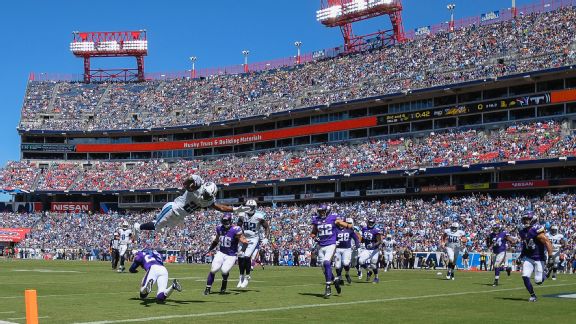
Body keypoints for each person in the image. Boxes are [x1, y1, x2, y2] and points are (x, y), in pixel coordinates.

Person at [134, 175, 249, 232]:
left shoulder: (208, 200)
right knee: (156, 226)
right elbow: (185, 184)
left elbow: (219, 207)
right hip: (172, 209)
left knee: (159, 228)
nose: (206, 197)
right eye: (207, 194)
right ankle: (138, 227)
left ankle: (144, 226)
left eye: (209, 196)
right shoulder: (197, 188)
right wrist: (191, 181)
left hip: (180, 217)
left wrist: (234, 210)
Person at [310, 205, 353, 298]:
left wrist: (349, 225)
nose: (321, 213)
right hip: (321, 246)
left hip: (331, 244)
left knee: (326, 263)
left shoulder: (333, 218)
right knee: (324, 269)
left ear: (327, 211)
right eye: (320, 211)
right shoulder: (316, 220)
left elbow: (345, 225)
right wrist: (315, 237)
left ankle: (328, 287)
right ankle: (335, 280)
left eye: (323, 211)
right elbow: (313, 232)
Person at [204, 214, 248, 295]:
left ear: (230, 221)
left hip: (231, 255)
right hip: (221, 252)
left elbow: (245, 242)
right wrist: (210, 249)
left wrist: (242, 251)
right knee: (213, 270)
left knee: (224, 271)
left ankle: (224, 283)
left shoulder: (236, 229)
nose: (225, 223)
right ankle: (208, 288)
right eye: (224, 221)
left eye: (227, 221)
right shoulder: (219, 228)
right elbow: (216, 241)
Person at [519, 212, 555, 302]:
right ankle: (533, 295)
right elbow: (525, 245)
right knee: (525, 275)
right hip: (528, 257)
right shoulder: (522, 231)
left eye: (527, 219)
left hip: (539, 257)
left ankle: (546, 273)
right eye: (525, 219)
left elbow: (547, 242)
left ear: (532, 219)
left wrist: (551, 257)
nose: (525, 221)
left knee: (538, 281)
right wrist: (521, 256)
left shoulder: (536, 229)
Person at [235, 199, 270, 288]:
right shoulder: (242, 215)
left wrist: (266, 238)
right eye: (248, 207)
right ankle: (241, 277)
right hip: (244, 237)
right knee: (240, 256)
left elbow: (267, 227)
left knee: (247, 257)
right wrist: (239, 235)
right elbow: (238, 226)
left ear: (254, 207)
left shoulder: (259, 216)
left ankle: (247, 277)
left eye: (251, 207)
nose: (250, 208)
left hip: (254, 238)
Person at [334, 217, 360, 285]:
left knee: (345, 263)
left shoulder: (349, 229)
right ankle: (340, 278)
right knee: (337, 266)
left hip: (347, 249)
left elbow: (356, 238)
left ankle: (347, 274)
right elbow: (331, 238)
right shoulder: (335, 229)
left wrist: (357, 244)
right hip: (337, 249)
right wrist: (334, 242)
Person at [359, 218, 383, 283]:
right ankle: (369, 271)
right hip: (367, 249)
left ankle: (376, 278)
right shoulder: (364, 229)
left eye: (372, 223)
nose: (370, 224)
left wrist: (373, 245)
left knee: (373, 264)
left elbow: (380, 241)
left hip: (374, 250)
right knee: (360, 261)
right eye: (369, 222)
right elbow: (363, 238)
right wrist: (360, 242)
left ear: (374, 223)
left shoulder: (376, 230)